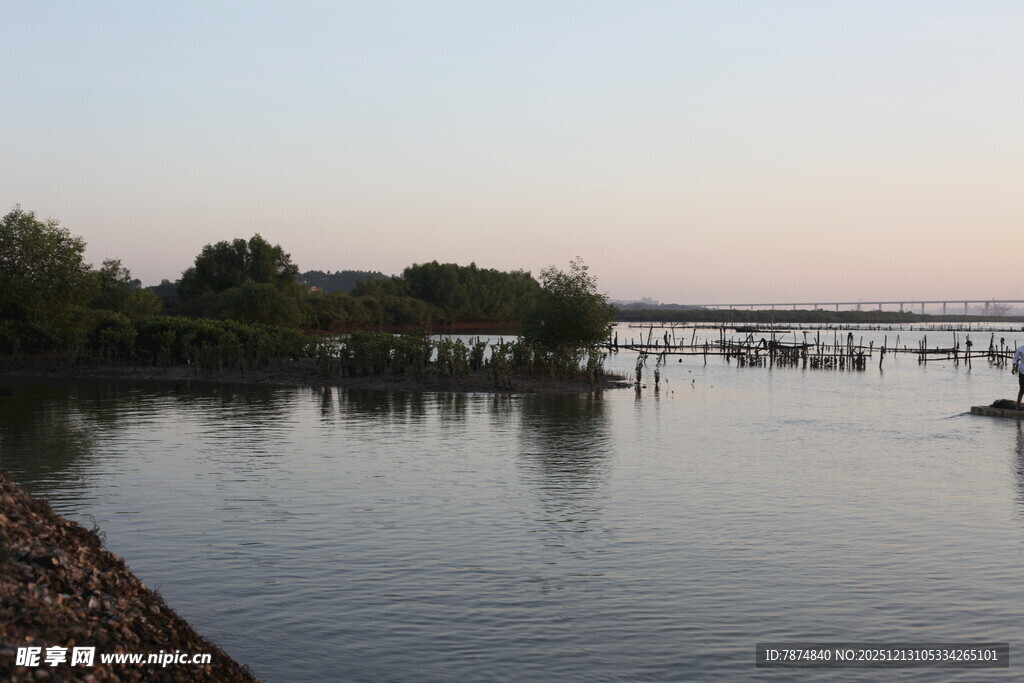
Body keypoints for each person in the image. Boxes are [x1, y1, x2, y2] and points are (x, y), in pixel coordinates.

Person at [1013, 344, 1024, 408]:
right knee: (1022, 388)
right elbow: (1015, 359)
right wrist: (1014, 367)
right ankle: (1018, 405)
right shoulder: (1021, 349)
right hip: (1022, 370)